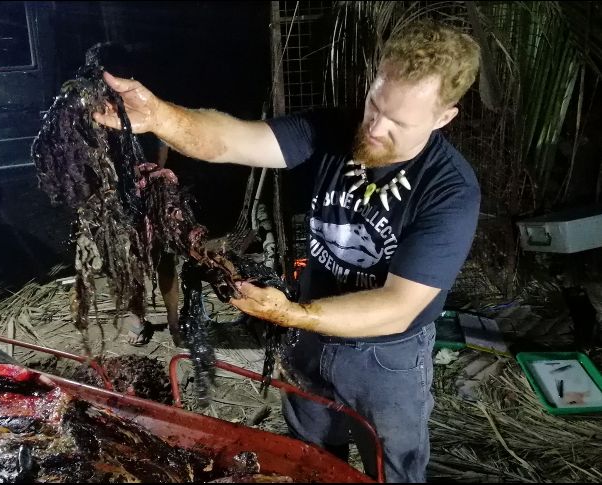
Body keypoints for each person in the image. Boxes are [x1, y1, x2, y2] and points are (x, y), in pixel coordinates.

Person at [93, 20, 481, 482]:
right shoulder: (332, 128)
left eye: (399, 123)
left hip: (385, 356)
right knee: (307, 457)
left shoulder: (449, 191)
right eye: (375, 105)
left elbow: (399, 307)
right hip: (308, 338)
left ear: (443, 118)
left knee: (392, 467)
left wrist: (292, 313)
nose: (375, 127)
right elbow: (231, 140)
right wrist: (159, 116)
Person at [124, 134, 182, 347]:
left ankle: (173, 318)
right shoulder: (112, 124)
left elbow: (162, 153)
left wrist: (154, 172)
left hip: (157, 189)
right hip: (126, 191)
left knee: (166, 259)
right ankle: (137, 317)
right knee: (132, 262)